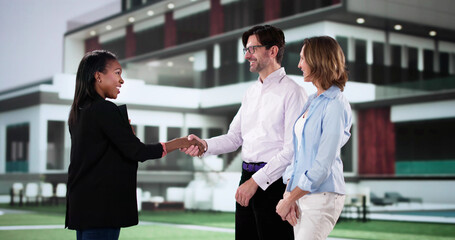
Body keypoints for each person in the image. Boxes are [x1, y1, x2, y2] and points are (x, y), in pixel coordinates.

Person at [183, 25, 308, 240]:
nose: (247, 55)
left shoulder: (294, 92)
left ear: (273, 51)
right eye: (246, 50)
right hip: (246, 178)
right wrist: (204, 144)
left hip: (274, 183)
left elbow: (292, 150)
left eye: (252, 49)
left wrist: (255, 182)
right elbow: (234, 137)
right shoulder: (250, 93)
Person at [65, 50, 204, 240]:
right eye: (117, 73)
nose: (121, 80)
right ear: (98, 76)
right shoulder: (105, 110)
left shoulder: (78, 112)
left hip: (83, 205)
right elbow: (137, 151)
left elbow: (111, 152)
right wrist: (179, 142)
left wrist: (125, 131)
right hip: (102, 209)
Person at [275, 36, 352, 240]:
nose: (299, 64)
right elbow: (298, 154)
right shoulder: (311, 101)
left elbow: (323, 163)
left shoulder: (335, 104)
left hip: (322, 195)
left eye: (303, 59)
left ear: (318, 60)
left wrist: (290, 198)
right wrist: (288, 194)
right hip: (301, 194)